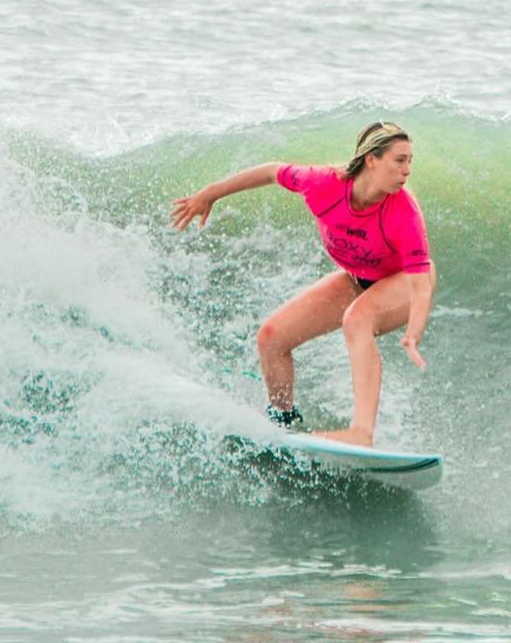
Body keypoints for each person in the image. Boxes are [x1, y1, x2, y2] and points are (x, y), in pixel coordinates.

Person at [170, 121, 435, 447]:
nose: (407, 170)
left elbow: (421, 284)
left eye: (410, 161)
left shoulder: (404, 211)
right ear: (372, 159)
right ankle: (282, 426)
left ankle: (361, 433)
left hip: (405, 282)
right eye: (400, 160)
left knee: (357, 318)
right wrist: (210, 194)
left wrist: (414, 333)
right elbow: (271, 171)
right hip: (358, 278)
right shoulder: (324, 185)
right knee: (272, 338)